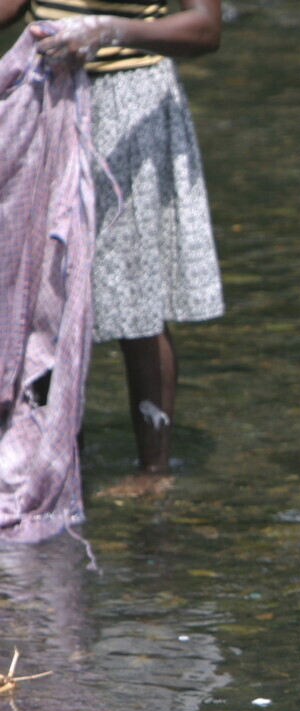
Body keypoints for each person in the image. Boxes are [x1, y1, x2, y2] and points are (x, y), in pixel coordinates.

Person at [0, 0, 223, 490]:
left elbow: (206, 29)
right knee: (39, 289)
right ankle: (50, 458)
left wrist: (111, 29)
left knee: (133, 295)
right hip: (48, 92)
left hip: (131, 103)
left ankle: (152, 473)